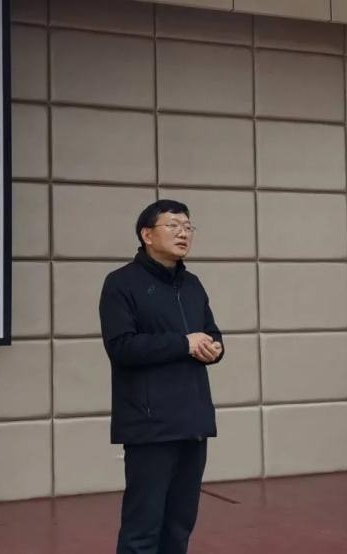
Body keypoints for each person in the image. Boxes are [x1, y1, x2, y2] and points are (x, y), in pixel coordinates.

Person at [99, 199, 224, 554]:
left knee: (179, 526)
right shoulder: (121, 283)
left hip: (193, 421)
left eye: (188, 227)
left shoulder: (193, 284)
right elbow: (121, 347)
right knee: (142, 528)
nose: (183, 233)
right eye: (173, 225)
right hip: (149, 424)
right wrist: (184, 343)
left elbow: (211, 333)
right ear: (147, 235)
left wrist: (215, 348)